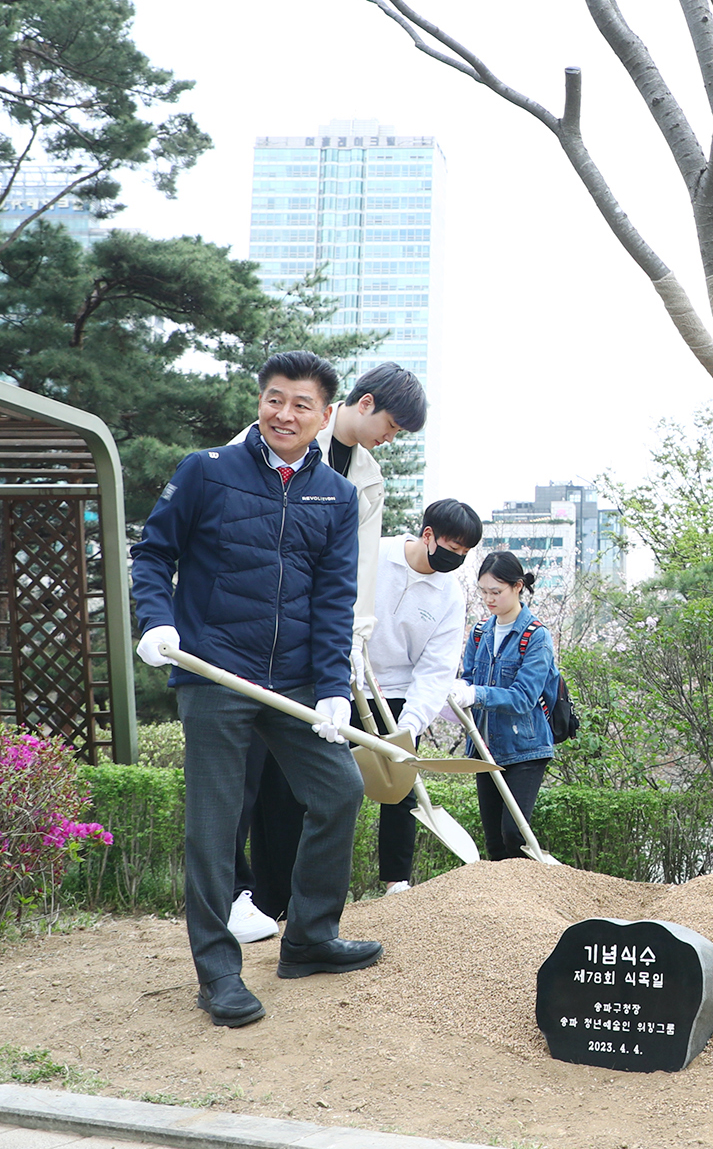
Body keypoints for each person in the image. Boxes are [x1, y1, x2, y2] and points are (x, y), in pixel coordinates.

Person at [130, 350, 381, 1028]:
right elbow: (154, 554)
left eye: (302, 404)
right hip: (216, 671)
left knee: (340, 790)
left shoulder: (336, 495)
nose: (285, 414)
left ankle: (307, 939)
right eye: (275, 399)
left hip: (297, 682)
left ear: (326, 416)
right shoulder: (208, 472)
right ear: (260, 402)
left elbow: (334, 598)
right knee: (214, 826)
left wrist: (333, 688)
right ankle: (217, 971)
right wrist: (157, 622)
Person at [231, 362, 427, 943]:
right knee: (242, 773)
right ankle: (235, 896)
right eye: (391, 424)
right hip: (248, 632)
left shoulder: (367, 476)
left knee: (307, 781)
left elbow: (357, 565)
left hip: (313, 641)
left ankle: (282, 905)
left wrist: (351, 635)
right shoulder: (273, 440)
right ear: (363, 404)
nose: (392, 438)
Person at [362, 497, 482, 893]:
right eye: (452, 549)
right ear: (427, 535)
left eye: (464, 554)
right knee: (331, 785)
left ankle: (396, 882)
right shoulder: (373, 553)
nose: (457, 558)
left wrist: (410, 726)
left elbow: (436, 668)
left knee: (399, 785)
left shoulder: (449, 595)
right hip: (343, 679)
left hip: (399, 693)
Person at [452, 551, 557, 860]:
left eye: (496, 592)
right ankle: (505, 909)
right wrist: (461, 689)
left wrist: (478, 694)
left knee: (515, 835)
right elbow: (469, 679)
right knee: (495, 843)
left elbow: (524, 697)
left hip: (526, 748)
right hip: (486, 748)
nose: (488, 599)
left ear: (517, 587)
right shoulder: (479, 633)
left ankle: (531, 899)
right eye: (483, 591)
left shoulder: (536, 637)